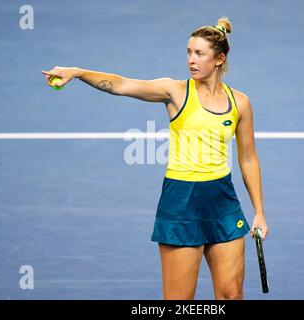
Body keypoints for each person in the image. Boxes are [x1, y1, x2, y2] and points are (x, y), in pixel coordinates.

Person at [42, 17, 268, 300]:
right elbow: (122, 85)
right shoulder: (175, 91)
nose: (191, 60)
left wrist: (258, 212)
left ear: (219, 59)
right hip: (181, 203)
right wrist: (77, 72)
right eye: (188, 52)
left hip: (222, 201)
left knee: (231, 296)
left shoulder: (240, 102)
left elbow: (248, 159)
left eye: (199, 54)